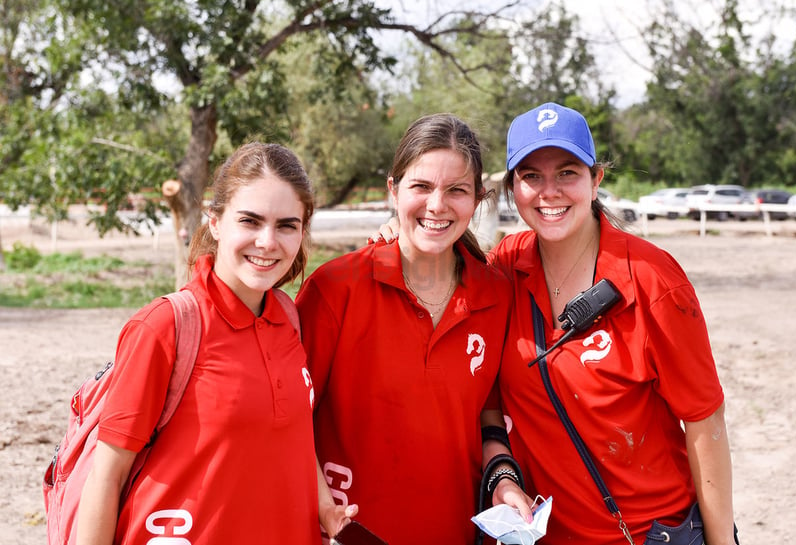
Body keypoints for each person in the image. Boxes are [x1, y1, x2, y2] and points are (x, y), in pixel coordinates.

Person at [376, 103, 738, 545]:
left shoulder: (651, 280)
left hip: (647, 533)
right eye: (531, 176)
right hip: (543, 535)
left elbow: (705, 422)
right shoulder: (505, 267)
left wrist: (723, 541)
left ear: (596, 179)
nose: (549, 192)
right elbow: (437, 253)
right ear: (512, 188)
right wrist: (400, 228)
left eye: (567, 172)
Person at [295, 113, 527, 544]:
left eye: (456, 190)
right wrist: (322, 505)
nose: (437, 205)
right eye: (421, 187)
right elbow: (287, 419)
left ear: (476, 200)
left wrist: (504, 479)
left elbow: (488, 415)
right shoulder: (334, 289)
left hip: (451, 531)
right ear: (394, 189)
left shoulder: (497, 295)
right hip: (346, 534)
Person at [76, 142, 322, 544]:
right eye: (250, 221)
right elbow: (107, 474)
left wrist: (325, 504)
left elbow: (292, 439)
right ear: (215, 221)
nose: (267, 241)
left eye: (286, 225)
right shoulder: (165, 326)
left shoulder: (289, 317)